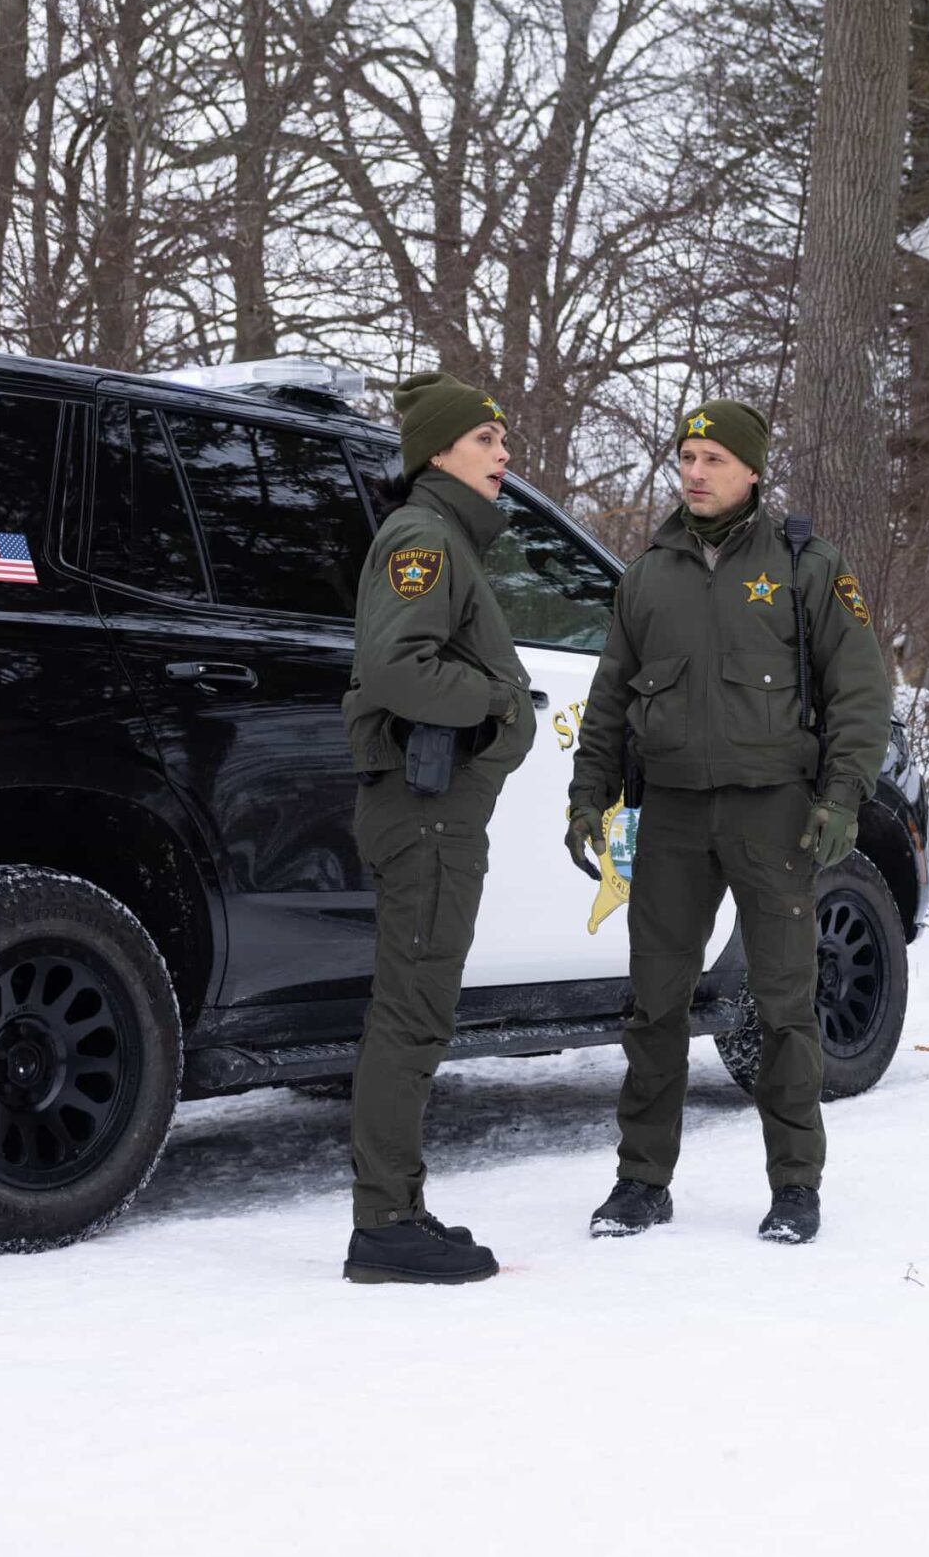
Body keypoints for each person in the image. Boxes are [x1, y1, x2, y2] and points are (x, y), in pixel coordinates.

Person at [565, 399, 891, 1244]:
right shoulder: (647, 577)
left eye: (713, 458)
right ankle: (641, 1181)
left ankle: (795, 1188)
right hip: (670, 813)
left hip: (773, 812)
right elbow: (608, 702)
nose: (696, 472)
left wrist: (844, 796)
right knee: (655, 1005)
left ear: (750, 470)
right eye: (687, 457)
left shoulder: (804, 566)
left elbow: (860, 688)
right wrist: (587, 797)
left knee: (784, 1006)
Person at [338, 373, 536, 1284]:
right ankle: (383, 1225)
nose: (505, 456)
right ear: (442, 453)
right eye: (489, 440)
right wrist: (498, 699)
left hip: (438, 815)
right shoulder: (423, 537)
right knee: (412, 1013)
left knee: (420, 1011)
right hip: (425, 814)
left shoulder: (446, 538)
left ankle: (402, 1206)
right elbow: (395, 670)